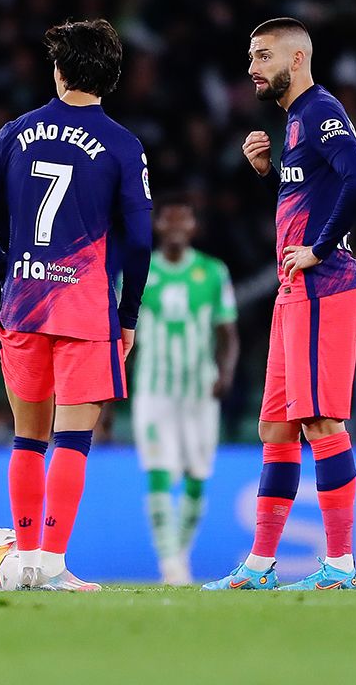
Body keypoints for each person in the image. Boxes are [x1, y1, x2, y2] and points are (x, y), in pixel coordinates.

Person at [0, 19, 153, 591]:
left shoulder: (15, 132)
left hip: (23, 304)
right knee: (73, 439)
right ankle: (51, 565)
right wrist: (128, 313)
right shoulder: (122, 144)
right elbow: (140, 241)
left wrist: (3, 269)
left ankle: (26, 558)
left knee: (27, 437)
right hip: (86, 309)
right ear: (111, 78)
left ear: (59, 70)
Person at [203, 17, 356, 591]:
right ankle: (259, 566)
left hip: (324, 285)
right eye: (250, 56)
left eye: (263, 56)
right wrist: (268, 174)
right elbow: (315, 194)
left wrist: (320, 249)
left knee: (322, 419)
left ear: (296, 60)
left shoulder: (322, 112)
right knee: (276, 427)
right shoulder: (296, 121)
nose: (252, 66)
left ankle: (341, 566)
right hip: (295, 290)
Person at [132, 196, 238, 585]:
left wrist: (225, 374)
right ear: (158, 225)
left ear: (194, 226)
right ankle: (169, 563)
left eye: (184, 220)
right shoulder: (138, 271)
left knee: (197, 475)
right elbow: (120, 335)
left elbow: (228, 331)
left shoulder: (213, 272)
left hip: (199, 392)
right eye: (169, 220)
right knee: (158, 472)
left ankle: (181, 554)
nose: (176, 227)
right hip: (154, 390)